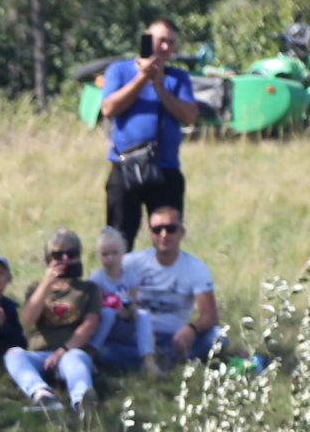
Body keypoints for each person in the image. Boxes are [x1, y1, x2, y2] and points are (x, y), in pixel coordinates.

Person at [98, 20, 196, 247]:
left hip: (166, 170)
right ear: (146, 38)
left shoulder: (177, 77)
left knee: (167, 237)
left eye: (171, 43)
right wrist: (142, 77)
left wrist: (160, 86)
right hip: (125, 167)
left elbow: (189, 116)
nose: (165, 48)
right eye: (161, 40)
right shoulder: (119, 70)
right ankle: (119, 282)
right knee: (119, 238)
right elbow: (109, 109)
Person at [6, 229, 101, 412]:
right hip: (39, 355)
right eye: (58, 255)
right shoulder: (36, 287)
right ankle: (42, 395)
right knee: (13, 355)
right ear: (49, 259)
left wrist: (62, 351)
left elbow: (90, 325)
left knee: (75, 359)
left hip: (71, 352)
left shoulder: (88, 288)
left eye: (71, 254)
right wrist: (46, 284)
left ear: (78, 257)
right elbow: (28, 317)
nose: (64, 259)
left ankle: (83, 400)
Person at [125, 207, 220, 364]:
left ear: (181, 232)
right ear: (150, 233)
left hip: (174, 338)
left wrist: (191, 329)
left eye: (170, 229)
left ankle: (156, 360)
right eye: (157, 230)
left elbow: (210, 316)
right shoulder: (131, 263)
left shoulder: (196, 268)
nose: (164, 235)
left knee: (217, 337)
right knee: (105, 349)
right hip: (136, 338)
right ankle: (165, 360)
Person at [84, 227, 148, 370]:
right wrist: (114, 311)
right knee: (108, 313)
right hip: (103, 327)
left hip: (123, 326)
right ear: (98, 255)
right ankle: (91, 352)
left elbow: (133, 303)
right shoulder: (96, 279)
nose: (110, 258)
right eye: (105, 254)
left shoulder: (131, 279)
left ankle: (148, 358)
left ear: (123, 252)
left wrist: (131, 311)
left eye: (114, 253)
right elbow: (94, 308)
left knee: (143, 315)